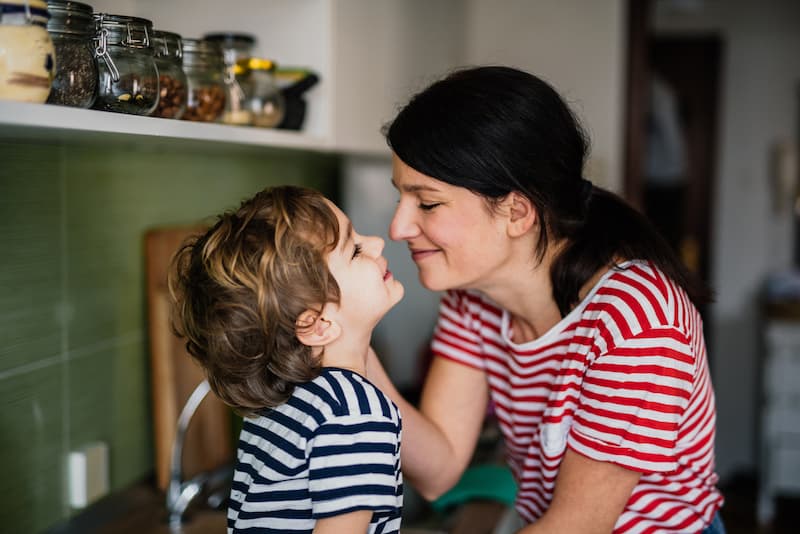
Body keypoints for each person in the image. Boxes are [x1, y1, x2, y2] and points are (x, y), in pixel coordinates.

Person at [365, 66, 726, 533]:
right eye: (401, 199)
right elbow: (438, 471)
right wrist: (355, 350)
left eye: (427, 203)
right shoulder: (471, 299)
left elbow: (577, 525)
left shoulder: (639, 322)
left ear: (516, 211)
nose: (397, 228)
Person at [169, 185, 405, 534]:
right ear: (316, 323)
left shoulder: (277, 402)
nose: (377, 243)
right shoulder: (356, 411)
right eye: (354, 250)